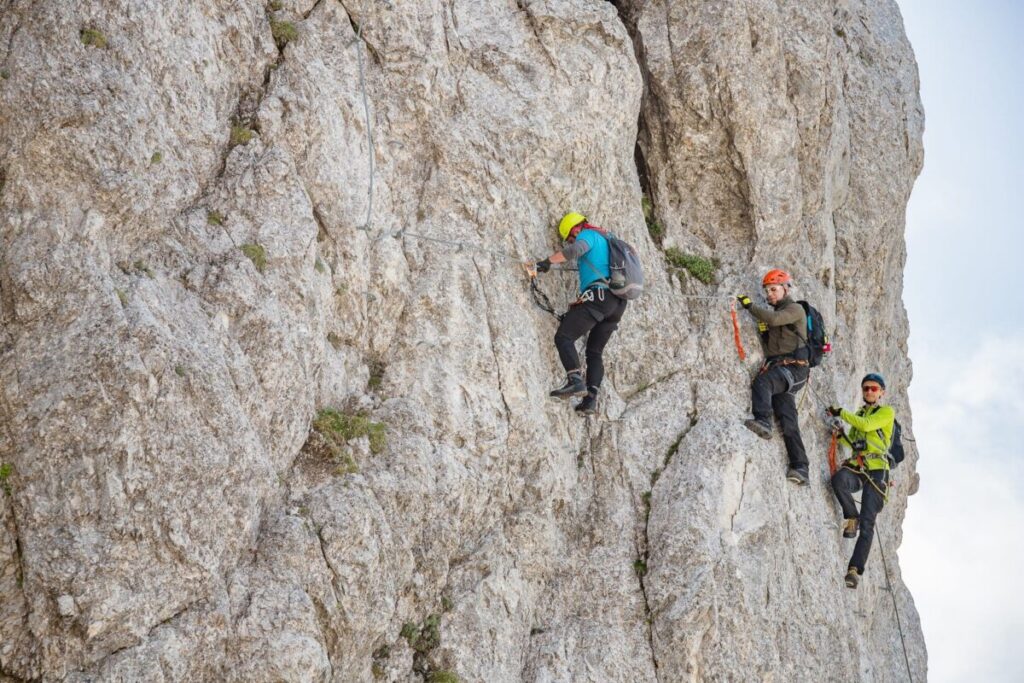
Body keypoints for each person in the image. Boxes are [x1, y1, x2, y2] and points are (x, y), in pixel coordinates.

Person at [532, 212, 628, 416]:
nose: (570, 241)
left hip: (599, 296)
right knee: (594, 352)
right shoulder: (606, 239)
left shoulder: (588, 235)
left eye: (569, 238)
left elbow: (577, 250)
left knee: (564, 337)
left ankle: (575, 381)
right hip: (617, 303)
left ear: (575, 229)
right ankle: (590, 400)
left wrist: (547, 262)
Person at [736, 270, 810, 485]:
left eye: (774, 289)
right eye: (767, 291)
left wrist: (750, 306)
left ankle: (763, 420)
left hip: (795, 371)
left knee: (764, 381)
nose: (770, 294)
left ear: (786, 288)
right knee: (788, 421)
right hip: (783, 370)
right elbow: (771, 350)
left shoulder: (795, 309)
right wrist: (764, 333)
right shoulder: (776, 317)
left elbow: (775, 318)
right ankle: (800, 467)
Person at [826, 373, 896, 589]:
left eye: (874, 389)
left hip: (877, 472)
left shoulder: (886, 412)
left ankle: (854, 570)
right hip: (860, 467)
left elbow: (866, 426)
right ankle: (850, 516)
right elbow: (853, 441)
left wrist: (842, 413)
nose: (869, 392)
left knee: (868, 524)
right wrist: (840, 433)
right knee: (839, 480)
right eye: (866, 388)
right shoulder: (859, 414)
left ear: (881, 392)